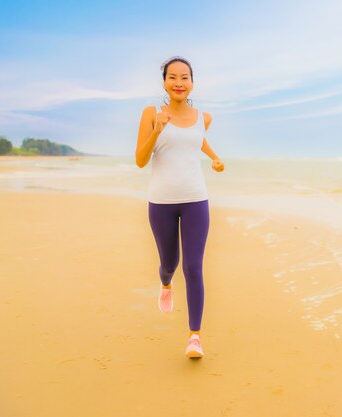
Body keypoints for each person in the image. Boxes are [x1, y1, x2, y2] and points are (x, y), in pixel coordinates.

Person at [135, 56, 225, 359]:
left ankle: (194, 337)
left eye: (184, 77)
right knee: (169, 263)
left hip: (196, 200)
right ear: (164, 82)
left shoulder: (204, 117)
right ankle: (165, 283)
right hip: (160, 202)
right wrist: (157, 130)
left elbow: (196, 140)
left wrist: (215, 157)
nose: (178, 83)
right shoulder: (152, 113)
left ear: (192, 83)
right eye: (172, 77)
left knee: (193, 267)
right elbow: (140, 159)